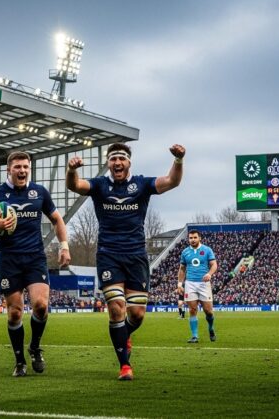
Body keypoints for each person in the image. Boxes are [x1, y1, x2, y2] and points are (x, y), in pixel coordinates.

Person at [67, 142, 185, 380]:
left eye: (121, 158)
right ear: (108, 163)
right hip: (109, 255)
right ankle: (125, 366)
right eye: (113, 159)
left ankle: (123, 334)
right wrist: (72, 170)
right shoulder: (100, 185)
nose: (117, 163)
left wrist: (179, 160)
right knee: (116, 309)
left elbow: (171, 181)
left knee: (137, 314)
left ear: (129, 162)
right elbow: (76, 185)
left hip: (136, 256)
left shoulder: (141, 184)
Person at [0, 151, 71, 377]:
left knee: (41, 305)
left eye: (26, 167)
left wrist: (64, 245)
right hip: (9, 258)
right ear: (9, 169)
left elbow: (57, 219)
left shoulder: (39, 192)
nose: (22, 171)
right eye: (18, 167)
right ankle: (20, 361)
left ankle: (35, 347)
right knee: (15, 313)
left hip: (35, 257)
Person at [177, 230, 217, 343]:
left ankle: (211, 328)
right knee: (192, 310)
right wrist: (180, 284)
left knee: (208, 311)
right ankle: (195, 336)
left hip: (204, 284)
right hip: (190, 284)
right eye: (190, 238)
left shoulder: (207, 250)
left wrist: (209, 274)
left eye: (195, 237)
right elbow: (182, 269)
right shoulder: (185, 252)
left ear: (199, 238)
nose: (192, 240)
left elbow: (214, 264)